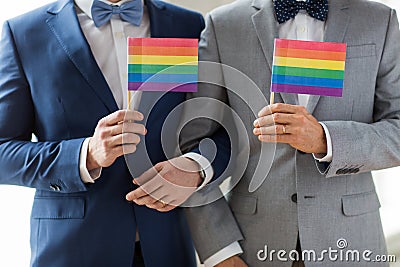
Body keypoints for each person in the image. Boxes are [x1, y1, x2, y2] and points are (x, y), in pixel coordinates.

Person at [129, 0, 400, 266]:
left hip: (353, 244)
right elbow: (193, 143)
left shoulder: (380, 19)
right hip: (251, 246)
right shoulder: (222, 24)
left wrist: (323, 138)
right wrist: (220, 252)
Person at [0, 0, 206, 266]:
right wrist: (86, 154)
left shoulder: (186, 25)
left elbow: (213, 128)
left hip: (168, 245)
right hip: (73, 249)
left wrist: (195, 167)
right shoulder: (24, 33)